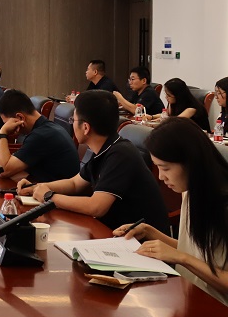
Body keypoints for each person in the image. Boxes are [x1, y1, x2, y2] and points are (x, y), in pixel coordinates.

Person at [113, 117, 228, 306]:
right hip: (187, 295)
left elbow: (189, 257)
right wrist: (150, 232)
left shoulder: (222, 203)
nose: (161, 176)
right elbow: (195, 251)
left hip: (215, 306)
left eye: (165, 168)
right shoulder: (191, 191)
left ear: (191, 162)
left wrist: (182, 259)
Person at [18, 90, 169, 232]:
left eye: (73, 120)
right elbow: (75, 184)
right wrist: (38, 187)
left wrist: (49, 197)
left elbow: (96, 207)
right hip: (114, 232)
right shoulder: (106, 147)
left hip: (140, 242)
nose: (72, 124)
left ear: (85, 127)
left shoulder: (121, 154)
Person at [0, 90, 79, 182]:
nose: (7, 127)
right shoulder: (46, 128)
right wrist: (4, 156)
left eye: (6, 123)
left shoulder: (41, 136)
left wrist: (2, 133)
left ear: (20, 117)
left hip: (57, 194)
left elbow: (4, 171)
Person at [143, 78, 210, 131]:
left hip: (198, 137)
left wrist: (157, 123)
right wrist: (152, 117)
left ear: (178, 95)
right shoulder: (175, 103)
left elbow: (175, 122)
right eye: (166, 94)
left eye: (169, 95)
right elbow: (167, 115)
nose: (166, 97)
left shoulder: (192, 108)